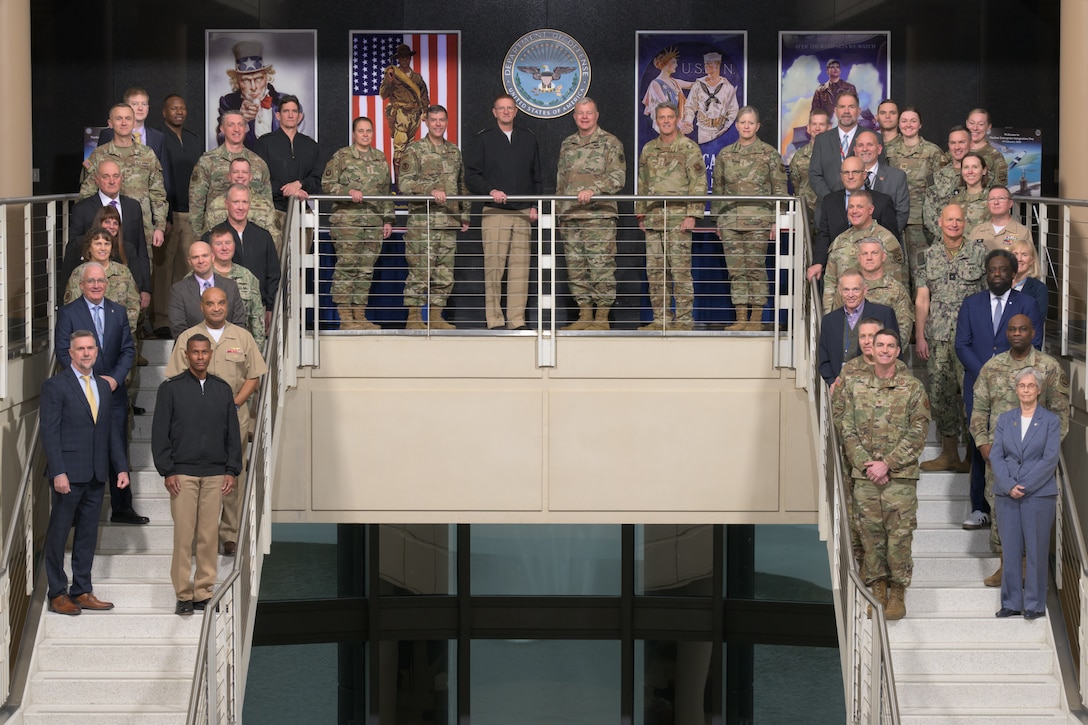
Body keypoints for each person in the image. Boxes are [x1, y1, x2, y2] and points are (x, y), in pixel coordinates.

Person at [166, 288, 267, 557]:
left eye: (221, 303)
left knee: (232, 476)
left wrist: (234, 402)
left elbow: (253, 376)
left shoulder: (242, 337)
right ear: (202, 306)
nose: (217, 308)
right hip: (195, 423)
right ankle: (200, 537)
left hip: (234, 417)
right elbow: (176, 381)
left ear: (228, 305)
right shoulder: (188, 338)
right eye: (210, 303)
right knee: (198, 479)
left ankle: (230, 534)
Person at [838, 328, 930, 620]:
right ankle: (877, 589)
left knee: (899, 537)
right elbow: (847, 429)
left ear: (898, 351)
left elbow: (918, 433)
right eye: (880, 345)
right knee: (870, 536)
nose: (885, 350)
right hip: (865, 478)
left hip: (899, 479)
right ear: (872, 349)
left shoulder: (913, 388)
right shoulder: (856, 387)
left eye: (891, 346)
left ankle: (898, 592)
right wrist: (867, 464)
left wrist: (887, 463)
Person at [970, 314, 1069, 585]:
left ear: (1032, 332)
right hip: (999, 459)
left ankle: (1028, 568)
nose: (1016, 333)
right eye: (1012, 329)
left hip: (1036, 462)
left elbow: (1060, 415)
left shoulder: (1048, 367)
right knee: (1002, 510)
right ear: (1006, 333)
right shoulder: (992, 367)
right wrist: (983, 444)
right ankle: (1006, 566)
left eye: (1022, 329)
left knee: (1032, 512)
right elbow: (978, 408)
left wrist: (1045, 453)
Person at [41, 329, 130, 615]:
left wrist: (121, 467)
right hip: (68, 475)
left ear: (96, 351)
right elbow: (50, 433)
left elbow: (111, 432)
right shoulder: (55, 386)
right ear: (71, 353)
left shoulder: (103, 386)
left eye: (91, 348)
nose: (86, 353)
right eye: (80, 349)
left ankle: (81, 590)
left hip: (96, 474)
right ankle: (57, 592)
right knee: (58, 536)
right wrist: (58, 472)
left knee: (88, 535)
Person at [955, 249, 1045, 529]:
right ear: (986, 272)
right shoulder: (971, 303)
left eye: (1003, 269)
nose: (997, 274)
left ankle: (1009, 509)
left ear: (1013, 272)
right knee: (980, 443)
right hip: (978, 388)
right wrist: (986, 375)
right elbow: (962, 344)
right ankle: (980, 508)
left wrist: (1006, 377)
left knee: (1015, 446)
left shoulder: (1027, 303)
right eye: (992, 269)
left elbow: (1035, 343)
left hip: (1017, 391)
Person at [152, 334, 241, 615]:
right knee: (183, 535)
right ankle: (183, 594)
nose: (200, 357)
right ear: (187, 355)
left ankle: (203, 592)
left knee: (208, 535)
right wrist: (167, 470)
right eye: (195, 352)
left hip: (215, 474)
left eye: (205, 352)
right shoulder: (170, 389)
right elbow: (159, 434)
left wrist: (231, 470)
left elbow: (232, 434)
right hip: (183, 475)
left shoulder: (223, 390)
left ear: (210, 354)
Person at [55, 263, 143, 526]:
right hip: (81, 396)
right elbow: (63, 350)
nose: (96, 285)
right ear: (81, 285)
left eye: (100, 281)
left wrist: (114, 380)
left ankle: (122, 507)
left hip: (113, 394)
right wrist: (88, 381)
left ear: (107, 284)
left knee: (118, 446)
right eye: (90, 281)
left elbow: (128, 350)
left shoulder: (117, 312)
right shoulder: (70, 313)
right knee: (83, 447)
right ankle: (78, 511)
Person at [915, 204, 987, 473]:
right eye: (949, 220)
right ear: (939, 221)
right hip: (938, 338)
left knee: (972, 395)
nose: (954, 224)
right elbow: (922, 299)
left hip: (971, 340)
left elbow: (988, 298)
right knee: (940, 395)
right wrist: (920, 335)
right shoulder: (927, 256)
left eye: (959, 219)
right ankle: (948, 453)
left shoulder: (980, 254)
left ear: (965, 222)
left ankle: (972, 454)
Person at [464, 94, 543, 330]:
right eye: (502, 108)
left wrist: (535, 205)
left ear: (516, 111)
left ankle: (516, 320)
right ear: (494, 112)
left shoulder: (528, 139)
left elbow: (537, 177)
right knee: (494, 269)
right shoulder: (483, 140)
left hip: (522, 212)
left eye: (510, 108)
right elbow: (471, 176)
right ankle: (495, 320)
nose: (506, 112)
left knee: (520, 270)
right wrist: (490, 190)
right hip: (494, 212)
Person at [990, 367, 1060, 620]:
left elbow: (1050, 459)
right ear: (1016, 389)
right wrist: (1008, 484)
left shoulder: (1051, 420)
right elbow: (997, 455)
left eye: (1031, 386)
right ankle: (1010, 602)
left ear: (1039, 389)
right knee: (1010, 550)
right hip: (1006, 493)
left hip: (1038, 495)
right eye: (1022, 386)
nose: (1026, 390)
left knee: (1036, 550)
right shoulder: (1005, 419)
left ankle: (1034, 604)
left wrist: (1026, 485)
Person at [712, 106, 787, 331]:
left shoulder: (769, 153)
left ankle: (756, 318)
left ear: (757, 126)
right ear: (736, 125)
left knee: (755, 268)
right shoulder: (725, 154)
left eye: (750, 123)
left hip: (759, 221)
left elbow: (780, 189)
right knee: (736, 271)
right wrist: (718, 219)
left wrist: (776, 220)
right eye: (742, 122)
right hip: (730, 222)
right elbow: (718, 190)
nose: (746, 126)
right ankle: (741, 318)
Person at [555, 98, 627, 331]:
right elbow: (561, 182)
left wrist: (593, 190)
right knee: (576, 269)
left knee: (601, 267)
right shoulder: (568, 144)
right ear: (574, 116)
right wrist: (559, 214)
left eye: (588, 113)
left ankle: (601, 318)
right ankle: (584, 316)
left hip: (599, 217)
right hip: (571, 217)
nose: (584, 117)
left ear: (596, 115)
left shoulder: (609, 142)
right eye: (580, 113)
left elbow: (618, 177)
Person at [397, 104, 470, 330]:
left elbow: (461, 185)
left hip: (448, 221)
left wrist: (464, 213)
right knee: (421, 272)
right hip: (423, 223)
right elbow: (404, 184)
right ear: (425, 122)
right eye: (434, 120)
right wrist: (430, 191)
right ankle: (414, 319)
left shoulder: (454, 151)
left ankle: (436, 317)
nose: (438, 124)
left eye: (442, 120)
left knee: (444, 274)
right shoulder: (415, 150)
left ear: (446, 122)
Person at [635, 102, 706, 331]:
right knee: (656, 273)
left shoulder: (688, 147)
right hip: (654, 220)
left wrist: (693, 215)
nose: (665, 121)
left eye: (669, 117)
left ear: (676, 119)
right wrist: (640, 214)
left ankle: (684, 320)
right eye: (661, 117)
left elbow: (698, 183)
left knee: (680, 271)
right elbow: (642, 184)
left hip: (679, 221)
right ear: (656, 120)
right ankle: (661, 319)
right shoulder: (648, 149)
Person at [322, 116, 395, 330]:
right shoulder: (342, 156)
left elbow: (386, 192)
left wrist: (388, 219)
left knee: (365, 270)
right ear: (354, 134)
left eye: (368, 131)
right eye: (361, 131)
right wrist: (347, 192)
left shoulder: (380, 158)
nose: (365, 135)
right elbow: (326, 185)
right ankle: (346, 318)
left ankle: (360, 317)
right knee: (347, 267)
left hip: (373, 222)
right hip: (348, 223)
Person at [80, 103, 168, 258]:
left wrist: (159, 227)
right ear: (110, 123)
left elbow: (158, 193)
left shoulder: (147, 154)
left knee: (141, 276)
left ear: (134, 122)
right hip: (105, 231)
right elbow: (87, 194)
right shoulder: (99, 155)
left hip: (141, 228)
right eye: (118, 118)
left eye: (128, 118)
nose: (124, 123)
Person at [807, 156, 900, 282]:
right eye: (846, 172)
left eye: (855, 172)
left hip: (873, 276)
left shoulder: (882, 201)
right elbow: (824, 234)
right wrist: (818, 262)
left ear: (864, 175)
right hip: (839, 273)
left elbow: (891, 241)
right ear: (841, 175)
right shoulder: (829, 201)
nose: (850, 176)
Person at [885, 107, 949, 289]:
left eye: (913, 121)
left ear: (920, 124)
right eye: (904, 121)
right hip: (894, 221)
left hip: (920, 223)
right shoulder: (889, 152)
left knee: (921, 273)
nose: (908, 125)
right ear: (898, 124)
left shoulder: (933, 152)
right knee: (897, 272)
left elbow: (941, 190)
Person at [156, 94, 203, 336]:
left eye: (182, 108)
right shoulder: (158, 139)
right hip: (168, 214)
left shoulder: (195, 141)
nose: (179, 112)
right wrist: (162, 217)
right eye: (173, 108)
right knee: (164, 269)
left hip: (192, 214)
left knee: (188, 268)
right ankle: (161, 321)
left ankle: (188, 318)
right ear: (164, 112)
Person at [189, 109, 275, 238]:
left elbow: (267, 200)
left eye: (240, 125)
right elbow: (197, 203)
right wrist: (199, 238)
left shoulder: (258, 163)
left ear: (246, 129)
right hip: (218, 233)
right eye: (231, 125)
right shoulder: (207, 161)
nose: (236, 129)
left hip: (253, 234)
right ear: (222, 129)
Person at [820, 189, 909, 310]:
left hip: (877, 314)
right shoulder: (839, 240)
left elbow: (897, 284)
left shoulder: (886, 240)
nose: (854, 211)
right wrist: (829, 314)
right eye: (851, 207)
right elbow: (830, 281)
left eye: (859, 207)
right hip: (843, 315)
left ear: (871, 210)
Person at [205, 183, 281, 320]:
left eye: (244, 202)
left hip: (258, 310)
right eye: (236, 202)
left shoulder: (263, 236)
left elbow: (273, 274)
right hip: (220, 311)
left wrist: (271, 307)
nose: (241, 207)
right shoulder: (211, 237)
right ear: (226, 203)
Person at [817, 270, 899, 385]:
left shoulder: (884, 314)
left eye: (855, 289)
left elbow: (894, 352)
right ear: (840, 291)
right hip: (841, 387)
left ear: (864, 290)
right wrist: (832, 382)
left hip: (876, 385)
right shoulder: (829, 320)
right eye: (846, 290)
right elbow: (824, 359)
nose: (850, 295)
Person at [254, 94, 323, 227]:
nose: (290, 115)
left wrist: (300, 184)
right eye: (286, 111)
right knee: (276, 248)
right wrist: (289, 190)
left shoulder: (312, 146)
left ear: (300, 116)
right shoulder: (264, 143)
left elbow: (318, 180)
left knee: (303, 248)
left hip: (303, 210)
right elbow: (258, 180)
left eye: (294, 111)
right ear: (278, 116)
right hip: (272, 212)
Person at [64, 227, 140, 335]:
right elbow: (72, 309)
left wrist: (122, 332)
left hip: (120, 337)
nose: (103, 248)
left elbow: (133, 305)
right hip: (87, 339)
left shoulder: (124, 272)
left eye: (107, 244)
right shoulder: (79, 274)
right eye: (98, 244)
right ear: (89, 247)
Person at [218, 41, 290, 148]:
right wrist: (241, 120)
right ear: (237, 82)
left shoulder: (285, 102)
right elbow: (221, 141)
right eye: (246, 80)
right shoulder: (228, 103)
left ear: (267, 78)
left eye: (258, 79)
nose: (253, 87)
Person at [168, 241, 247, 336]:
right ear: (189, 261)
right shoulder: (178, 290)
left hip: (227, 346)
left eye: (205, 256)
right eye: (195, 257)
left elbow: (239, 324)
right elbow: (178, 328)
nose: (201, 261)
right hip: (192, 348)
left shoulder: (230, 286)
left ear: (212, 257)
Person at [207, 223, 266, 348]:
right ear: (211, 248)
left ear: (234, 245)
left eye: (228, 243)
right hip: (206, 347)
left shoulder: (247, 276)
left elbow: (257, 318)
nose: (224, 248)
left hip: (239, 346)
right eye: (219, 244)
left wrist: (257, 352)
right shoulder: (201, 276)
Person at [808, 90, 862, 223]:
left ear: (859, 110)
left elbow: (877, 173)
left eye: (851, 107)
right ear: (836, 111)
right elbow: (815, 174)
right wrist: (832, 200)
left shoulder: (872, 137)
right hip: (828, 212)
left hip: (863, 212)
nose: (847, 111)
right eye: (842, 107)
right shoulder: (822, 140)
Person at [850, 238, 914, 341]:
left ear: (883, 256)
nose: (869, 258)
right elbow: (838, 325)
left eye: (874, 253)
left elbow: (903, 331)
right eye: (865, 254)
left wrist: (884, 351)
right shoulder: (849, 288)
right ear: (859, 258)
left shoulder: (897, 290)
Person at [380, 43, 430, 176]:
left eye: (407, 57)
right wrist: (389, 81)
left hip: (414, 114)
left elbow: (424, 94)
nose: (404, 60)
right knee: (399, 148)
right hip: (400, 113)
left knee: (410, 147)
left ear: (410, 58)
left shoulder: (417, 78)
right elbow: (383, 94)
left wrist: (425, 111)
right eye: (402, 58)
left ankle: (408, 178)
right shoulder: (393, 75)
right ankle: (398, 184)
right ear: (398, 60)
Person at [202, 157, 280, 240]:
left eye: (244, 172)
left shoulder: (265, 205)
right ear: (229, 176)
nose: (240, 176)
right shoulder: (215, 205)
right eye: (235, 172)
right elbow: (208, 240)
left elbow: (274, 239)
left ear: (250, 177)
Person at [853, 129, 909, 233]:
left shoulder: (897, 177)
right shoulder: (848, 177)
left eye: (869, 144)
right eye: (861, 145)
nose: (865, 149)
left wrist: (884, 239)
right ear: (855, 151)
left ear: (879, 149)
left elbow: (902, 213)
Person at [923, 127, 971, 239]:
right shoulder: (935, 178)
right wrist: (951, 238)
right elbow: (929, 217)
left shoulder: (985, 177)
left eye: (961, 142)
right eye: (953, 143)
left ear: (970, 143)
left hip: (977, 245)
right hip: (945, 244)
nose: (957, 147)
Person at [679, 52, 739, 144]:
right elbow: (690, 106)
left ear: (717, 64)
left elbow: (733, 110)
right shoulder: (698, 85)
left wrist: (726, 127)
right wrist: (688, 122)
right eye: (705, 63)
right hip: (703, 129)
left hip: (721, 129)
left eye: (709, 63)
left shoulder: (727, 87)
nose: (706, 65)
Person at [789, 108, 829, 230]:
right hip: (806, 212)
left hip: (829, 211)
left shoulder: (836, 153)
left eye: (821, 124)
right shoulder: (799, 156)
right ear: (808, 127)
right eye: (814, 124)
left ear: (829, 127)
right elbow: (795, 182)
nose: (817, 128)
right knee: (806, 249)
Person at [641, 47, 691, 133]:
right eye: (673, 62)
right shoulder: (655, 84)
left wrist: (707, 79)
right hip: (665, 122)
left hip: (676, 121)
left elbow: (692, 84)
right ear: (665, 64)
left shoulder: (674, 81)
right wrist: (679, 123)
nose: (676, 65)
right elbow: (665, 105)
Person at [970, 187, 1034, 252]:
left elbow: (1030, 260)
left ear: (1010, 203)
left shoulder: (1022, 233)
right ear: (988, 204)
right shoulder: (977, 231)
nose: (996, 202)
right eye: (992, 199)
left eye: (1001, 198)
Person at [948, 152, 991, 233]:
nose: (970, 171)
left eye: (975, 167)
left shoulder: (993, 199)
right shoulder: (954, 200)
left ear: (984, 171)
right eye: (966, 167)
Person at [965, 108, 1008, 188]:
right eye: (972, 123)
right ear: (967, 124)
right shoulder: (957, 152)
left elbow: (998, 190)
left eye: (980, 124)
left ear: (988, 127)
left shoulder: (995, 156)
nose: (975, 128)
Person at [1009, 239, 1048, 321]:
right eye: (1015, 254)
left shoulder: (1039, 289)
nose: (1019, 259)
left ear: (1032, 261)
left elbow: (1037, 321)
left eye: (1024, 255)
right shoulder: (1000, 284)